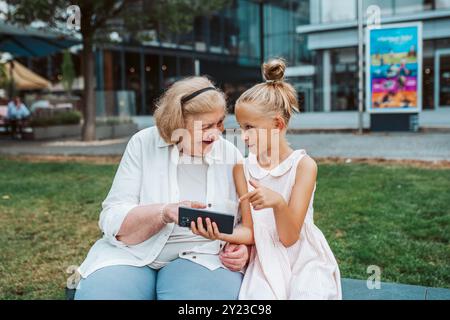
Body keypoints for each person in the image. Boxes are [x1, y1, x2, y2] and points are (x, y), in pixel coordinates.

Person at [75, 76, 250, 300]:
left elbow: (246, 221)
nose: (215, 134)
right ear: (177, 123)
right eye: (205, 127)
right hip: (131, 253)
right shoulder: (142, 144)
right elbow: (111, 217)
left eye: (219, 123)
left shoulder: (230, 153)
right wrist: (164, 212)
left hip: (204, 257)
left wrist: (243, 248)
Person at [234, 58, 341, 299]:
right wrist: (221, 235)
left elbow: (290, 237)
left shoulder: (303, 166)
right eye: (240, 127)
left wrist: (278, 202)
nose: (243, 136)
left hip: (303, 257)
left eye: (249, 127)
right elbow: (249, 228)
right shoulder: (242, 169)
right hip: (264, 257)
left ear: (277, 125)